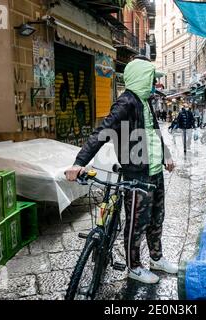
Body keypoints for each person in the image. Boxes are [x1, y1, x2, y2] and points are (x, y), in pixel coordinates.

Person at [65, 56, 177, 284]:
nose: (154, 85)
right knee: (136, 224)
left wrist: (166, 156)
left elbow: (154, 133)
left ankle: (156, 258)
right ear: (141, 78)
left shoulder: (145, 102)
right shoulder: (126, 103)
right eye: (151, 80)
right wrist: (79, 162)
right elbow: (102, 132)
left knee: (157, 218)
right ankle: (133, 267)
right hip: (136, 175)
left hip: (155, 173)